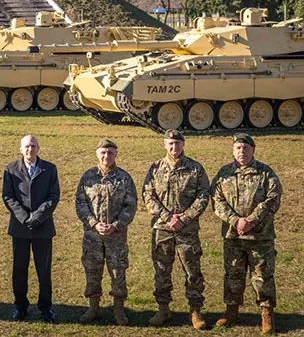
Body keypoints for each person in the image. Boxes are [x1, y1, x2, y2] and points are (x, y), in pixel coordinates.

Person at [211, 133, 282, 335]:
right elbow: (217, 201)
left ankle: (267, 314)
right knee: (233, 274)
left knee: (263, 277)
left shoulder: (266, 173)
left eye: (245, 148)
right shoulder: (224, 173)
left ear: (253, 150)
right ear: (233, 150)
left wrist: (251, 220)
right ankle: (231, 311)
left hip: (260, 236)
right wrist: (236, 221)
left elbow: (273, 199)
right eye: (238, 148)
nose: (242, 151)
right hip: (233, 236)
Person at [142, 130, 210, 330]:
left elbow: (204, 196)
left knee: (192, 271)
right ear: (165, 145)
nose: (174, 147)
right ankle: (163, 309)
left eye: (177, 143)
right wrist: (167, 217)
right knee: (162, 271)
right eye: (170, 144)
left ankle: (195, 311)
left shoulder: (195, 168)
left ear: (183, 144)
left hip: (187, 230)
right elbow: (148, 195)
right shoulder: (155, 168)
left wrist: (185, 218)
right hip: (162, 229)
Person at [74, 138, 137, 326]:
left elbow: (131, 205)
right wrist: (93, 223)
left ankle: (119, 310)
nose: (106, 156)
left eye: (110, 152)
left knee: (118, 272)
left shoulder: (124, 178)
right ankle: (93, 308)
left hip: (116, 236)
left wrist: (116, 225)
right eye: (103, 152)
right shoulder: (88, 177)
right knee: (92, 271)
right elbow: (80, 203)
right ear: (97, 154)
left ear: (116, 154)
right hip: (93, 237)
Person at [2, 135, 60, 323]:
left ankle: (46, 308)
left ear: (38, 148)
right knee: (19, 269)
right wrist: (24, 217)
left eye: (33, 146)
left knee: (43, 270)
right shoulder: (11, 169)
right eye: (26, 146)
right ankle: (20, 307)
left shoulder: (49, 169)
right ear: (21, 149)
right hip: (20, 228)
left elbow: (54, 195)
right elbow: (8, 196)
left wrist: (38, 216)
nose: (30, 149)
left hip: (43, 227)